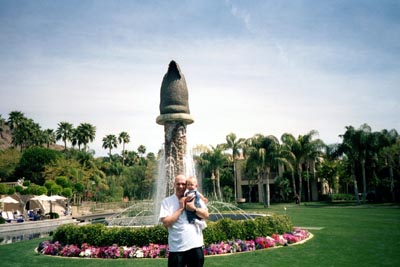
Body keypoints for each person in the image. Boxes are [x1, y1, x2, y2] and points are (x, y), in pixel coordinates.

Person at [159, 174, 209, 267]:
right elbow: (166, 223)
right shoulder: (167, 201)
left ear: (187, 185)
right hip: (177, 249)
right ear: (174, 185)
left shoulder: (194, 197)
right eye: (178, 184)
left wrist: (194, 209)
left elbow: (206, 215)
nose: (181, 186)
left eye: (183, 184)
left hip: (195, 246)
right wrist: (181, 208)